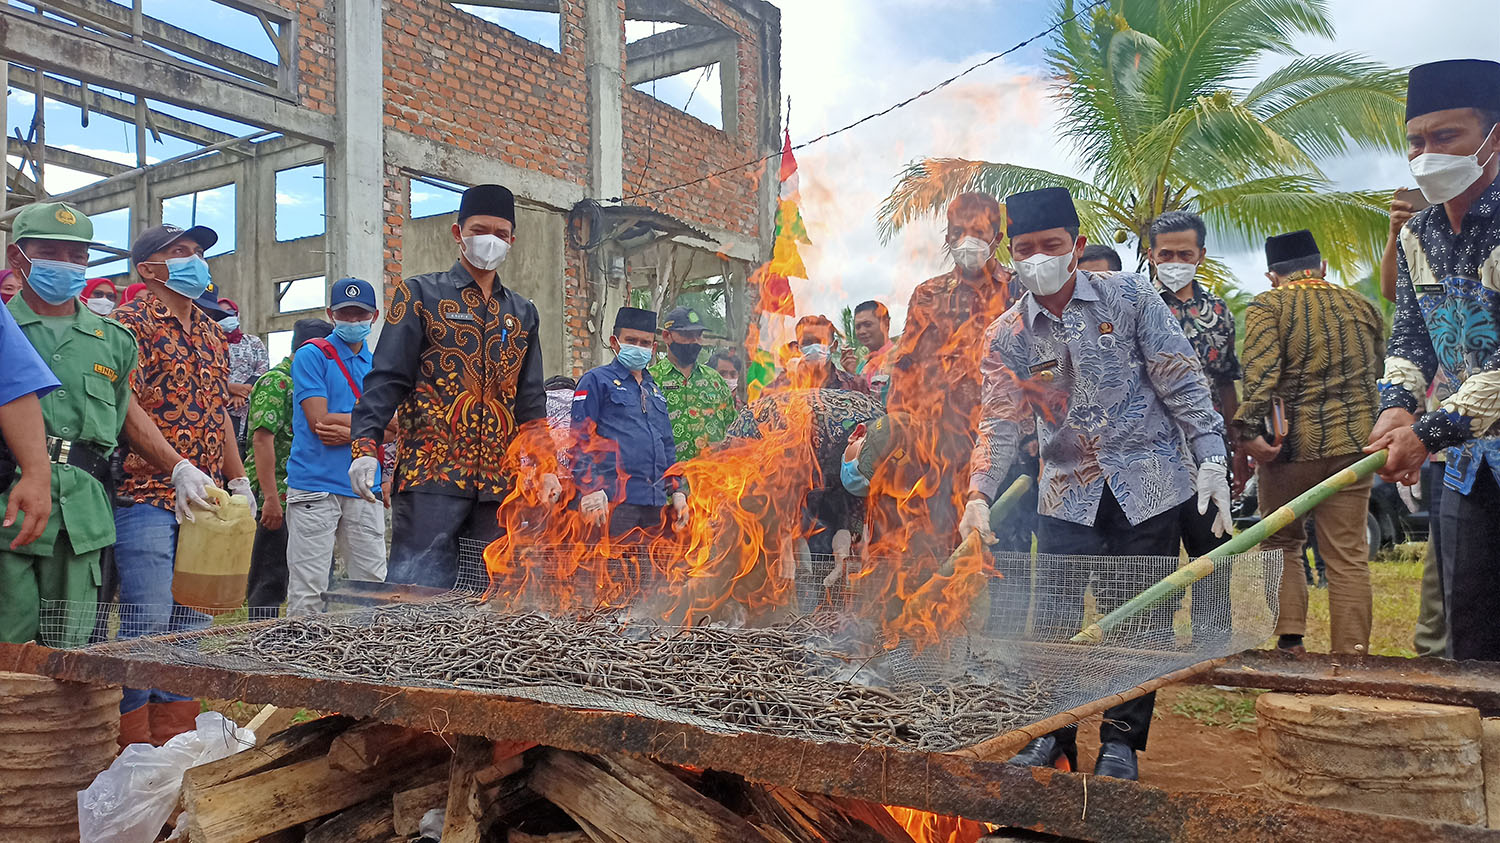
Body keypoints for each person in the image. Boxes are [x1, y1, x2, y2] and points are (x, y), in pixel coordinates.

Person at [963, 186, 1229, 781]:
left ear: (1076, 246)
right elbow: (999, 422)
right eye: (1025, 248)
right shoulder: (1007, 336)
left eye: (1051, 246)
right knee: (1055, 617)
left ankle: (1120, 742)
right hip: (1066, 493)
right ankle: (1051, 734)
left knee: (1139, 618)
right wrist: (979, 493)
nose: (1038, 259)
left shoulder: (1132, 296)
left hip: (1149, 484)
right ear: (1011, 253)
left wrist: (1211, 456)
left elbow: (1183, 382)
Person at [350, 184, 556, 589]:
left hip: (499, 488)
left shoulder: (522, 313)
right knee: (416, 597)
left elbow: (531, 401)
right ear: (458, 232)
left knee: (487, 600)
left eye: (500, 233)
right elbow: (386, 377)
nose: (490, 241)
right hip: (431, 479)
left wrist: (546, 467)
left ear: (512, 240)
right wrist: (364, 447)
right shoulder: (420, 294)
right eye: (480, 229)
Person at [1367, 58, 1500, 663]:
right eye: (1416, 141)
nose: (1427, 155)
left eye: (1447, 137)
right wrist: (1397, 407)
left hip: (1461, 434)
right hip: (1475, 463)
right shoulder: (1420, 233)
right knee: (1472, 629)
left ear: (1493, 136)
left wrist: (1429, 430)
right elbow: (1411, 335)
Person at [112, 222, 252, 746]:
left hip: (207, 501)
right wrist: (176, 467)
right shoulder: (129, 324)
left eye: (197, 252)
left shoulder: (211, 333)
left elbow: (218, 415)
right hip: (148, 495)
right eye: (180, 252)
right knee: (147, 623)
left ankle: (177, 738)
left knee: (191, 626)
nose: (196, 260)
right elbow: (125, 407)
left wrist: (237, 480)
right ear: (149, 269)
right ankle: (130, 740)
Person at [1235, 230, 1382, 654]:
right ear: (1322, 268)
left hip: (1290, 452)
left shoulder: (1270, 304)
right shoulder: (1362, 305)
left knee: (1282, 543)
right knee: (1348, 556)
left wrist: (1246, 435)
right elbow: (1377, 368)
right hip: (1354, 447)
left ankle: (1290, 644)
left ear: (1271, 275)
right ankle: (1351, 659)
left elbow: (1260, 378)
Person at [2, 203, 140, 651]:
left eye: (76, 256)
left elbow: (118, 420)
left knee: (72, 648)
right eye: (49, 252)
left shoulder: (115, 341)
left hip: (82, 510)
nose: (64, 265)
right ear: (15, 258)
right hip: (9, 499)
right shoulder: (6, 328)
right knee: (8, 639)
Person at [880, 192, 1031, 568]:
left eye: (978, 231)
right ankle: (940, 626)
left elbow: (1036, 369)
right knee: (932, 548)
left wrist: (1030, 438)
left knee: (1000, 553)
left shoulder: (1018, 291)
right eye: (958, 231)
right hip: (937, 449)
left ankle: (1001, 627)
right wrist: (896, 428)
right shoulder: (927, 294)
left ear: (996, 239)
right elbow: (906, 367)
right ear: (947, 237)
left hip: (999, 448)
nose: (967, 240)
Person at [1147, 211, 1242, 643]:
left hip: (1206, 450)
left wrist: (1232, 445)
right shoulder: (1132, 304)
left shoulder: (1219, 313)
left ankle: (1211, 643)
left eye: (1184, 253)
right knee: (1155, 554)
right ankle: (1154, 642)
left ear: (1200, 255)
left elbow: (1225, 382)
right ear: (1150, 255)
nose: (1174, 261)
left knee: (1211, 547)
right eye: (1165, 253)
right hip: (1149, 452)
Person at [284, 279, 387, 615]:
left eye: (361, 314)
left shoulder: (379, 364)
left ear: (373, 317)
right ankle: (298, 660)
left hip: (364, 488)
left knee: (372, 586)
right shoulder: (312, 355)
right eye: (346, 313)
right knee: (309, 587)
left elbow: (399, 426)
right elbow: (319, 422)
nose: (353, 320)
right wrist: (373, 430)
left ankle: (366, 660)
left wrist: (349, 429)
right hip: (315, 486)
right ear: (331, 314)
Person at [727, 388, 883, 606]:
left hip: (821, 470)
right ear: (857, 434)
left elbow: (854, 500)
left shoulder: (886, 439)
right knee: (771, 559)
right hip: (758, 449)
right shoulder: (806, 430)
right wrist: (787, 546)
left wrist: (842, 552)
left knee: (816, 550)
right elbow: (783, 495)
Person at [571, 307, 687, 539]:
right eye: (631, 340)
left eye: (645, 343)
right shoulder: (595, 381)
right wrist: (590, 488)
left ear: (654, 348)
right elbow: (579, 440)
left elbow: (666, 445)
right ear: (615, 342)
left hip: (654, 506)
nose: (638, 347)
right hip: (613, 503)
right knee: (612, 572)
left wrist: (677, 491)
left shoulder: (654, 390)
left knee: (652, 572)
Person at [245, 318, 331, 620]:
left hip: (313, 492)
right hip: (279, 493)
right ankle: (260, 644)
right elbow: (262, 439)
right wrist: (270, 498)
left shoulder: (312, 381)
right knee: (271, 577)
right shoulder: (278, 382)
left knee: (312, 576)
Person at [647, 305, 736, 461]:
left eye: (698, 335)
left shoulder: (715, 381)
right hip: (667, 480)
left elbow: (732, 428)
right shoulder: (650, 381)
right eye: (687, 335)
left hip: (713, 478)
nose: (694, 341)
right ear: (667, 336)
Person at [767, 315, 869, 393]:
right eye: (806, 342)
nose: (814, 348)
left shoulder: (855, 385)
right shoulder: (779, 387)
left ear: (834, 346)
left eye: (821, 341)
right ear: (798, 348)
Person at [217, 296, 268, 447]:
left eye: (230, 312)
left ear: (237, 315)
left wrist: (243, 392)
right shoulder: (208, 343)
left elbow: (262, 368)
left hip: (249, 407)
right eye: (221, 314)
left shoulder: (253, 342)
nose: (226, 317)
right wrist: (232, 389)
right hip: (220, 407)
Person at [851, 300, 893, 394]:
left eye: (867, 324)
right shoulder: (861, 367)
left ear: (886, 324)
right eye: (858, 327)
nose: (862, 331)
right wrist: (851, 375)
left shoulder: (900, 360)